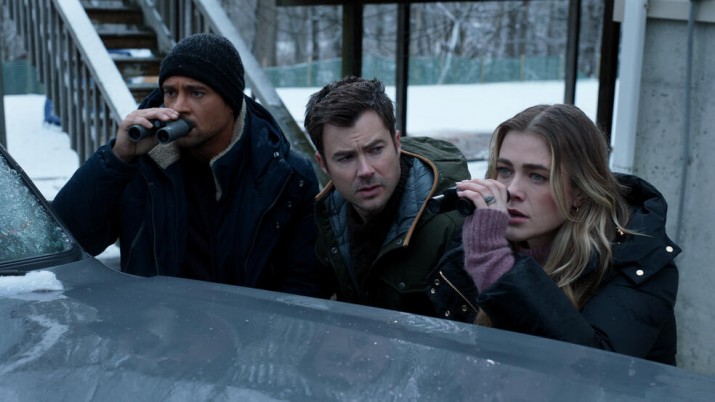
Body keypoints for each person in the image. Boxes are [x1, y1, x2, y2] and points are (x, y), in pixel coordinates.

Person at [52, 33, 326, 297]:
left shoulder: (285, 173)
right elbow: (65, 242)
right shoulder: (139, 163)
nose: (178, 106)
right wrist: (117, 159)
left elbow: (303, 285)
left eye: (197, 93)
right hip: (154, 325)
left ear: (230, 102)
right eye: (170, 92)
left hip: (247, 326)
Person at [432, 104, 680, 364]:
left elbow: (592, 369)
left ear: (581, 192)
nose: (512, 190)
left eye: (537, 176)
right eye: (504, 170)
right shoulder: (477, 242)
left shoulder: (638, 262)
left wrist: (493, 261)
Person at [303, 76, 471, 316]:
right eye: (346, 157)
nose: (365, 171)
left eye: (376, 150)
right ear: (323, 165)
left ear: (397, 143)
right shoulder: (327, 216)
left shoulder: (452, 223)